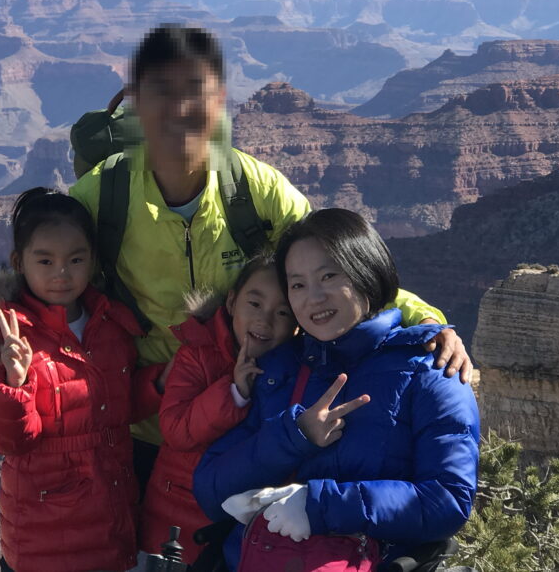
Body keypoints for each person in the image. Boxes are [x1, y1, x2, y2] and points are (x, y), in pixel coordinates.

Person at [0, 24, 471, 487]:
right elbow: (40, 280)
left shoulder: (257, 190)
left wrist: (428, 321)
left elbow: (338, 272)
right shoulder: (103, 193)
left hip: (243, 408)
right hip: (144, 416)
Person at [192, 209, 480, 572]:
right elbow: (209, 490)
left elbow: (447, 501)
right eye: (297, 284)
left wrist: (319, 505)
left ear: (366, 271)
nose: (312, 298)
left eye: (328, 276)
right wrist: (293, 437)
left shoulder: (430, 370)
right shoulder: (279, 369)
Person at [0, 188, 163, 572]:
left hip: (113, 523)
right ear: (19, 262)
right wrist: (15, 385)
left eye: (75, 259)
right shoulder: (15, 334)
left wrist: (161, 384)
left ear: (93, 260)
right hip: (45, 540)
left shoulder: (111, 325)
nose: (61, 274)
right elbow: (9, 441)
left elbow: (118, 410)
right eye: (45, 260)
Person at [140, 253, 296, 563]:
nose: (264, 320)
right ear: (231, 302)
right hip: (178, 520)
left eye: (282, 312)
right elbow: (175, 430)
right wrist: (233, 392)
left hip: (245, 526)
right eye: (254, 304)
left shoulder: (294, 368)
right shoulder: (197, 353)